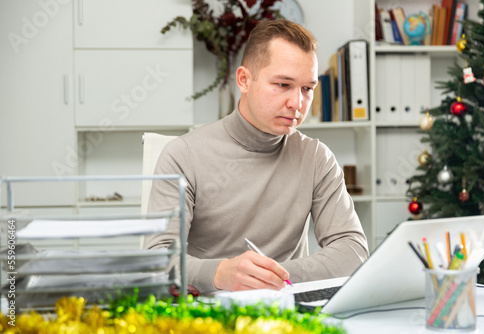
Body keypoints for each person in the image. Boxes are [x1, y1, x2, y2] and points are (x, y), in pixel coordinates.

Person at [145, 19, 369, 294]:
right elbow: (157, 260)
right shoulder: (183, 155)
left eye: (307, 89)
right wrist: (218, 273)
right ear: (244, 80)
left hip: (287, 313)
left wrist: (271, 276)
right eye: (283, 84)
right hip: (209, 315)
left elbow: (352, 251)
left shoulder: (316, 157)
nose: (297, 103)